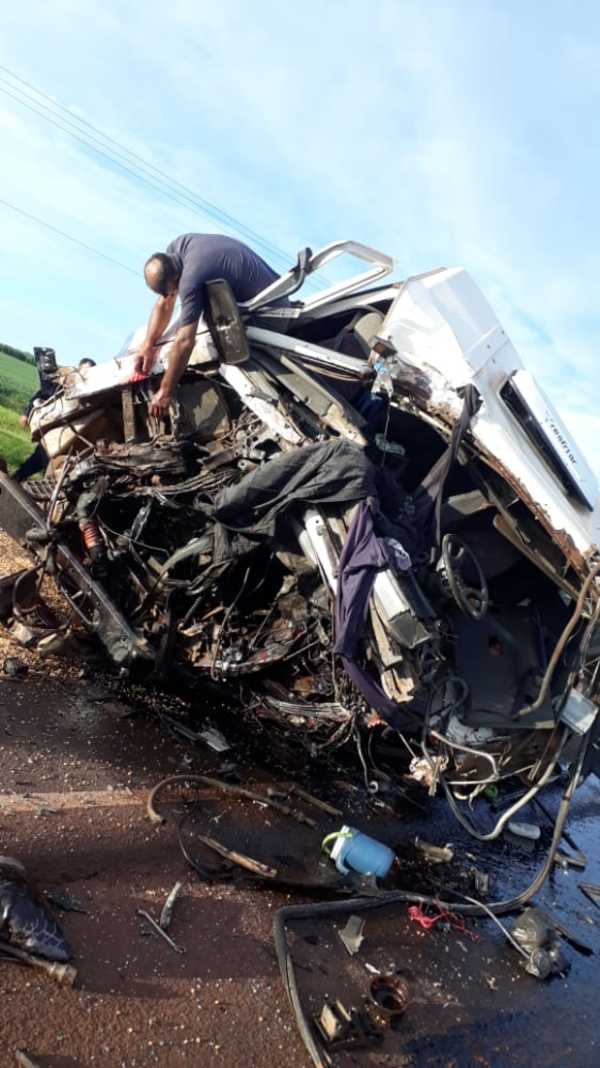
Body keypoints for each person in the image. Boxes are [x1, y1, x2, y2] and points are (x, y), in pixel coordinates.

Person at [137, 234, 280, 416]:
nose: (172, 295)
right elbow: (165, 303)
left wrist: (165, 392)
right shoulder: (177, 248)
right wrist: (147, 345)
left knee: (213, 340)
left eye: (172, 290)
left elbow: (185, 342)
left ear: (176, 277)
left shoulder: (191, 277)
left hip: (270, 314)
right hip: (270, 293)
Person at [14, 347, 59, 482]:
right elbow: (42, 394)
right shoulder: (59, 386)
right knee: (39, 459)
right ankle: (15, 480)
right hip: (51, 437)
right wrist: (26, 414)